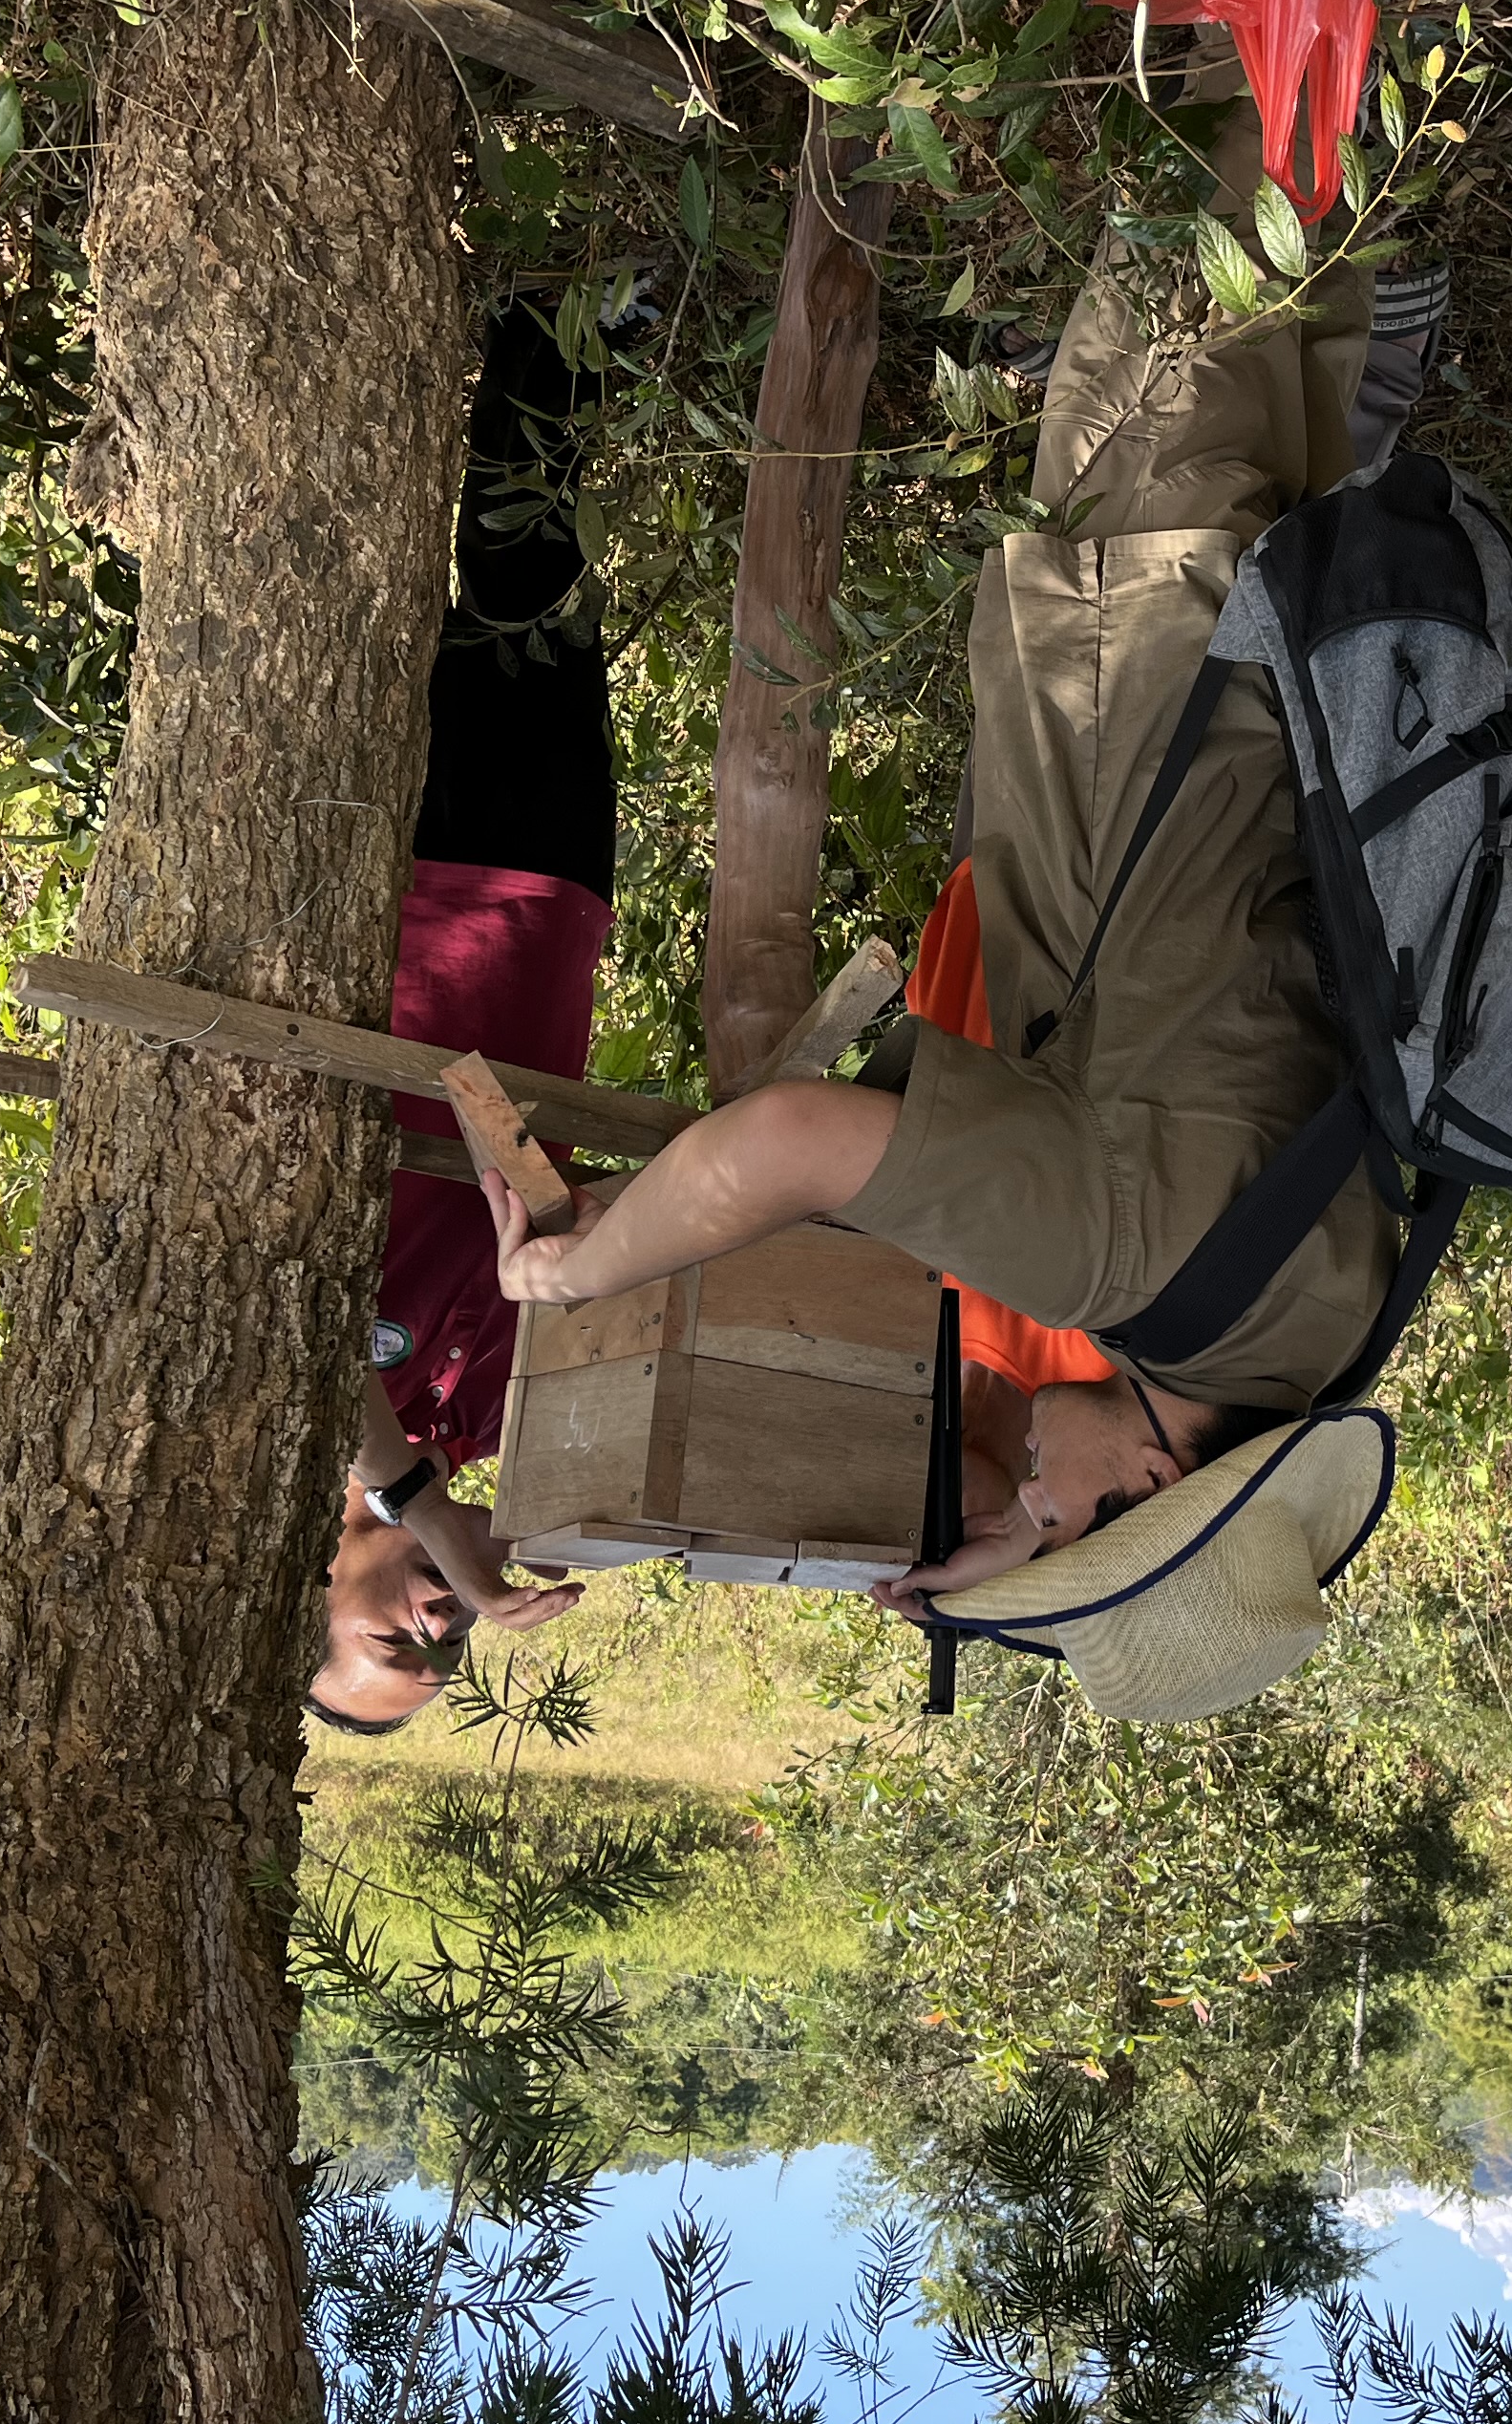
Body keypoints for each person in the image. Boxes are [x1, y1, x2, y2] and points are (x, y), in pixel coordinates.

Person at [481, 206, 1441, 1605]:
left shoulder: (1317, 1334)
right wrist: (585, 1282)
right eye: (1066, 1519)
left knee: (1308, 234)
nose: (1035, 1505)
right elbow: (801, 1141)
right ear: (1155, 1485)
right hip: (1152, 635)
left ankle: (1325, 35)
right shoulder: (1118, 1266)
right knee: (1215, 175)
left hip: (1276, 656)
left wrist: (1015, 1522)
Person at [308, 294, 634, 1735]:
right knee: (538, 596)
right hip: (548, 915)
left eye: (397, 1651)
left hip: (411, 898)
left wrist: (433, 1518)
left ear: (312, 1604)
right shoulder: (488, 1424)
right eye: (447, 1665)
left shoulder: (316, 1448)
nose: (437, 1638)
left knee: (371, 580)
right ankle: (554, 334)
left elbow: (317, 1363)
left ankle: (472, 309)